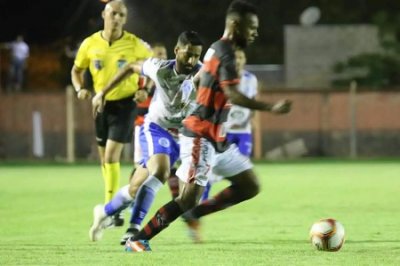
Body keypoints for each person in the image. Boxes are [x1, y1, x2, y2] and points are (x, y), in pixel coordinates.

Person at [125, 0, 292, 252]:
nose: (255, 33)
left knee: (249, 185)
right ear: (235, 25)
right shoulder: (225, 53)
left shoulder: (216, 49)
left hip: (217, 138)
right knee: (186, 199)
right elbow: (233, 94)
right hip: (200, 136)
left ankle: (193, 214)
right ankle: (138, 239)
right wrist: (271, 108)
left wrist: (193, 90)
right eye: (251, 27)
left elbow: (201, 77)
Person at [88, 31, 203, 243]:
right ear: (177, 51)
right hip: (156, 128)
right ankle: (134, 229)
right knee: (161, 171)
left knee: (135, 185)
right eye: (188, 54)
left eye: (197, 56)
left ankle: (104, 212)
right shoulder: (159, 68)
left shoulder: (201, 74)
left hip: (182, 136)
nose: (192, 61)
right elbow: (131, 67)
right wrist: (102, 93)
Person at [71, 0, 153, 226]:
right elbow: (76, 70)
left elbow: (155, 67)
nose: (116, 18)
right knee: (103, 159)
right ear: (104, 15)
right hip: (100, 104)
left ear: (125, 19)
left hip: (125, 104)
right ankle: (113, 204)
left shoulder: (135, 44)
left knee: (111, 156)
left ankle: (110, 209)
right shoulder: (90, 44)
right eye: (113, 13)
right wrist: (80, 89)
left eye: (121, 15)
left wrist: (144, 89)